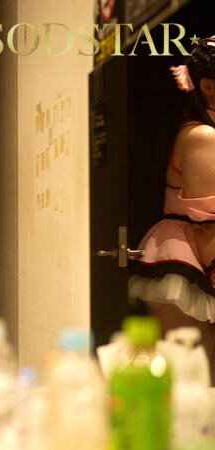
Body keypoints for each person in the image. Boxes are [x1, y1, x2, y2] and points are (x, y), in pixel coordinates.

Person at [129, 36, 215, 382]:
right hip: (192, 259)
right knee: (189, 380)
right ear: (208, 86)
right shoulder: (203, 136)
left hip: (195, 257)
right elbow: (208, 223)